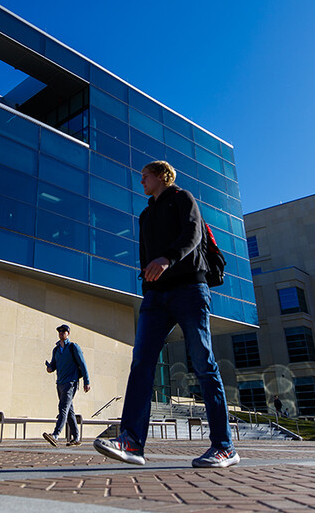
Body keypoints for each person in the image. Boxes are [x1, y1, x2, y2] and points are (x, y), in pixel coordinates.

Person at [94, 161, 239, 468]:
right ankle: (131, 442)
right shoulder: (145, 214)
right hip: (156, 297)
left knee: (203, 363)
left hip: (189, 289)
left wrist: (168, 258)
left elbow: (193, 234)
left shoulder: (182, 197)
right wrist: (148, 284)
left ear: (161, 175)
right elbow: (145, 256)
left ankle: (224, 446)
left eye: (144, 175)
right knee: (141, 363)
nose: (141, 180)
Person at [43, 324, 91, 447]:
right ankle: (76, 437)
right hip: (60, 383)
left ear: (68, 333)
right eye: (59, 331)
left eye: (64, 331)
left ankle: (55, 435)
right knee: (69, 411)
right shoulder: (56, 350)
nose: (61, 333)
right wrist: (49, 368)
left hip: (71, 383)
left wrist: (87, 381)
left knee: (63, 407)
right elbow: (53, 365)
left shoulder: (73, 347)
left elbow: (83, 363)